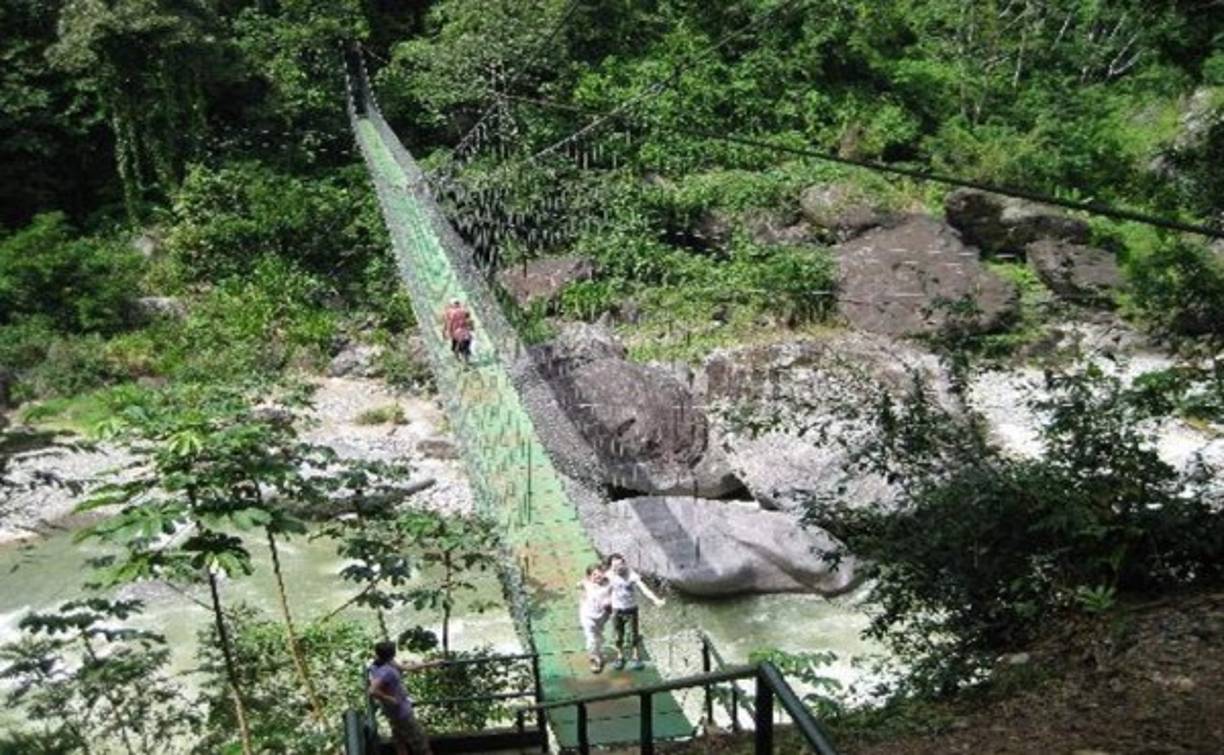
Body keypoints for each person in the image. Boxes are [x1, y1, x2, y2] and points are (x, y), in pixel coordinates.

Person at [367, 640, 441, 755]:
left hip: (392, 711)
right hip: (400, 711)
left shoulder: (381, 664)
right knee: (419, 741)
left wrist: (430, 664)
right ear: (392, 653)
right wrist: (389, 699)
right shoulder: (385, 671)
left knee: (400, 739)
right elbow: (372, 690)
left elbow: (405, 668)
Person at [605, 553, 665, 671]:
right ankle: (620, 656)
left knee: (633, 635)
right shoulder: (609, 575)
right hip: (617, 609)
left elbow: (644, 589)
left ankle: (636, 657)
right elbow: (604, 588)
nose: (617, 569)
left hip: (631, 609)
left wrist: (655, 600)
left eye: (619, 566)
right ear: (611, 567)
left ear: (624, 564)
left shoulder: (632, 575)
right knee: (618, 635)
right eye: (614, 567)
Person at [578, 563, 612, 673]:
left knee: (599, 637)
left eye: (599, 574)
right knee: (591, 638)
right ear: (589, 576)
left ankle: (598, 652)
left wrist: (610, 602)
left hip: (602, 616)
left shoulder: (608, 584)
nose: (597, 577)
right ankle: (594, 659)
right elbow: (580, 584)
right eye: (594, 575)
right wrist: (581, 589)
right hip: (587, 615)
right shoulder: (587, 583)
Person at [440, 299, 473, 365]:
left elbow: (448, 323)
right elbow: (449, 323)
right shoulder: (460, 311)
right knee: (462, 347)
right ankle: (463, 360)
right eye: (456, 303)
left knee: (460, 347)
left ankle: (462, 360)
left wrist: (446, 332)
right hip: (461, 332)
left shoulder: (453, 312)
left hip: (459, 333)